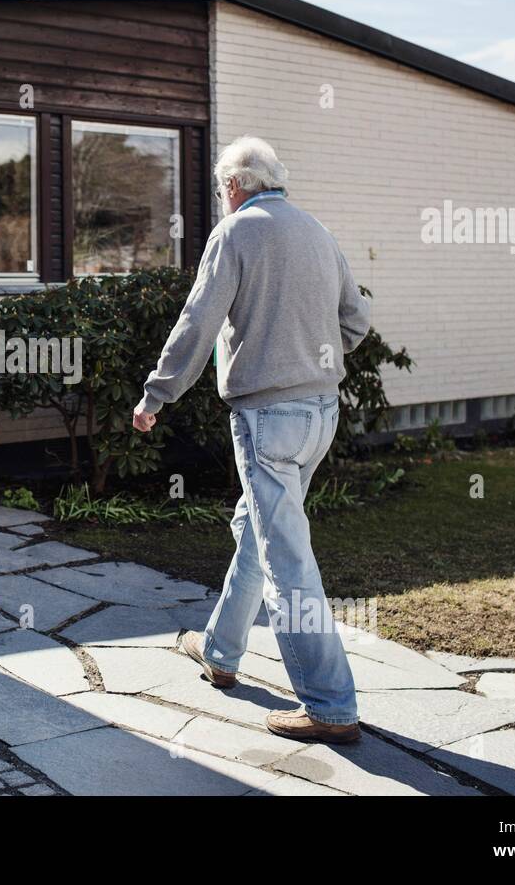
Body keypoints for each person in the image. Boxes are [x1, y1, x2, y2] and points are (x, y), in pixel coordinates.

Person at [132, 135, 371, 744]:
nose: (222, 200)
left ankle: (330, 706)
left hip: (268, 420)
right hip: (321, 415)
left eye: (220, 190)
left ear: (234, 186)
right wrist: (309, 360)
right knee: (261, 532)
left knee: (286, 557)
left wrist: (157, 394)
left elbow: (198, 320)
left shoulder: (235, 232)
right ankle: (220, 650)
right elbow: (356, 321)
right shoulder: (316, 230)